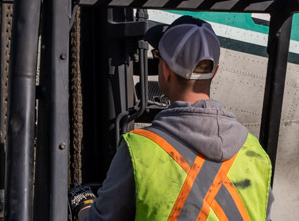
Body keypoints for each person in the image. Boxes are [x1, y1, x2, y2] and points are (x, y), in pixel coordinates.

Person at [77, 15, 273, 221]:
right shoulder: (255, 154)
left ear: (165, 70)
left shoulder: (140, 149)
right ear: (214, 72)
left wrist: (83, 205)